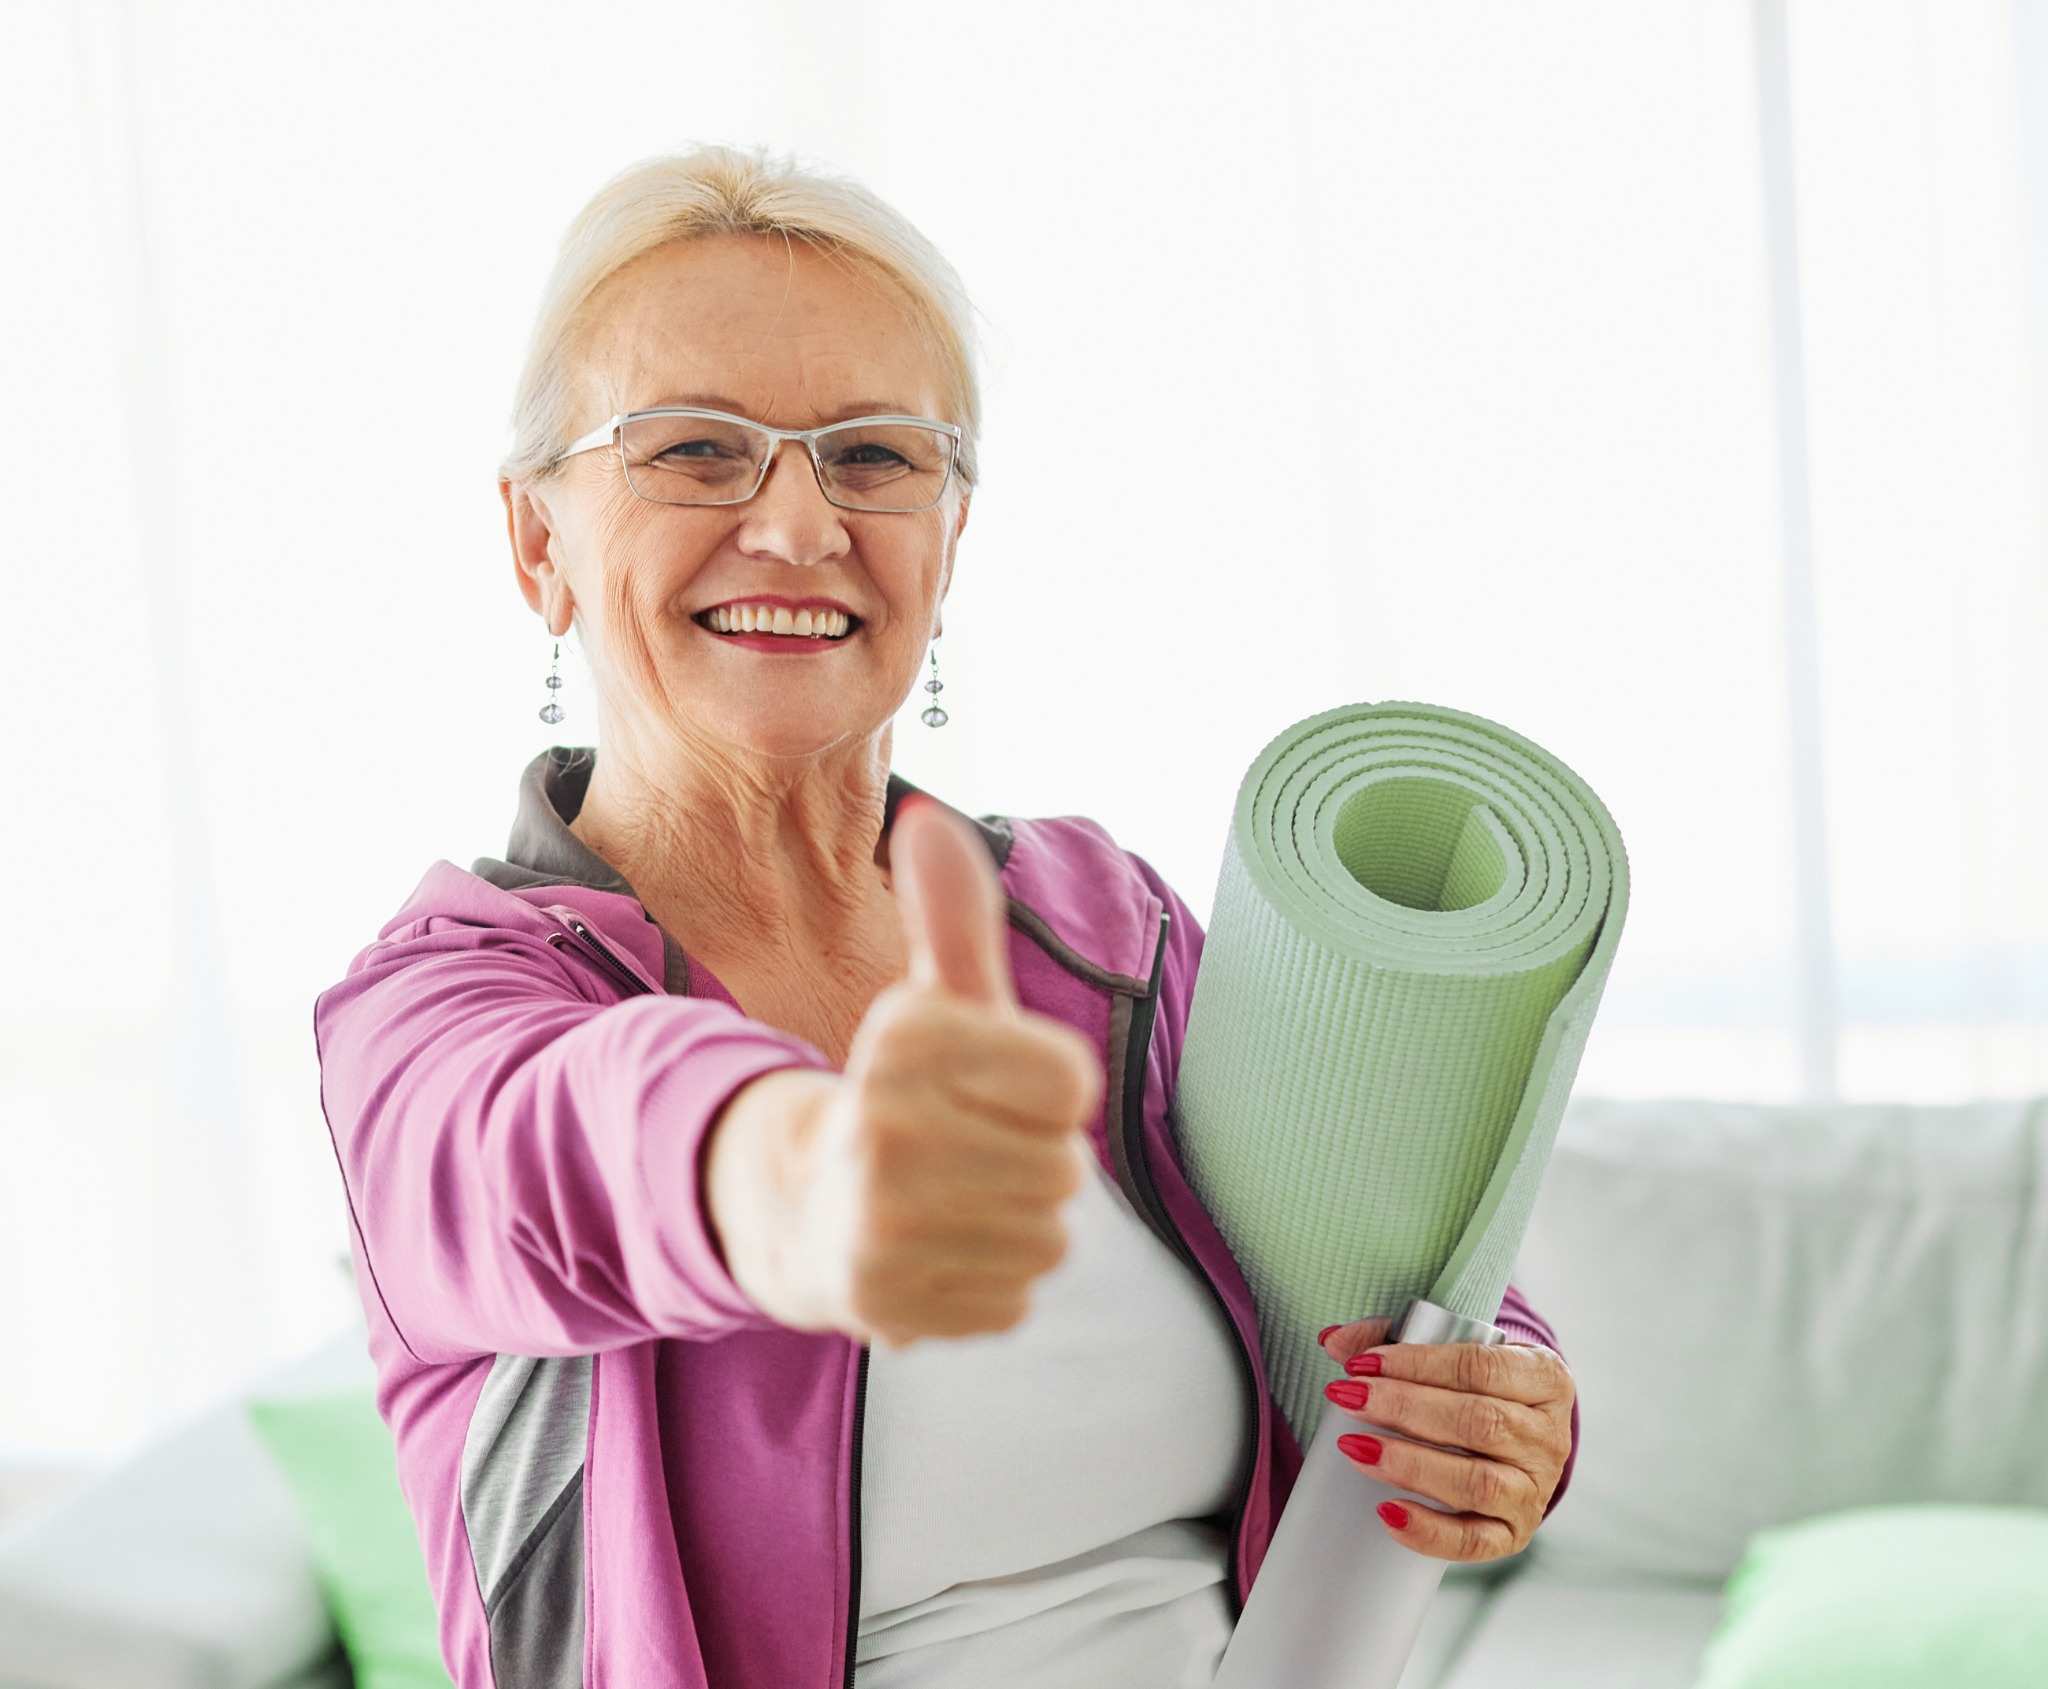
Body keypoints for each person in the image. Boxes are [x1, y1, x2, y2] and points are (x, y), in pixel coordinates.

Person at [312, 142, 1580, 1689]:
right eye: (695, 450)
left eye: (872, 456)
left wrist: (1505, 1398)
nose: (795, 524)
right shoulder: (434, 1012)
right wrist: (802, 1175)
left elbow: (1365, 1232)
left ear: (950, 532)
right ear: (537, 542)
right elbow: (559, 1147)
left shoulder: (1098, 924)